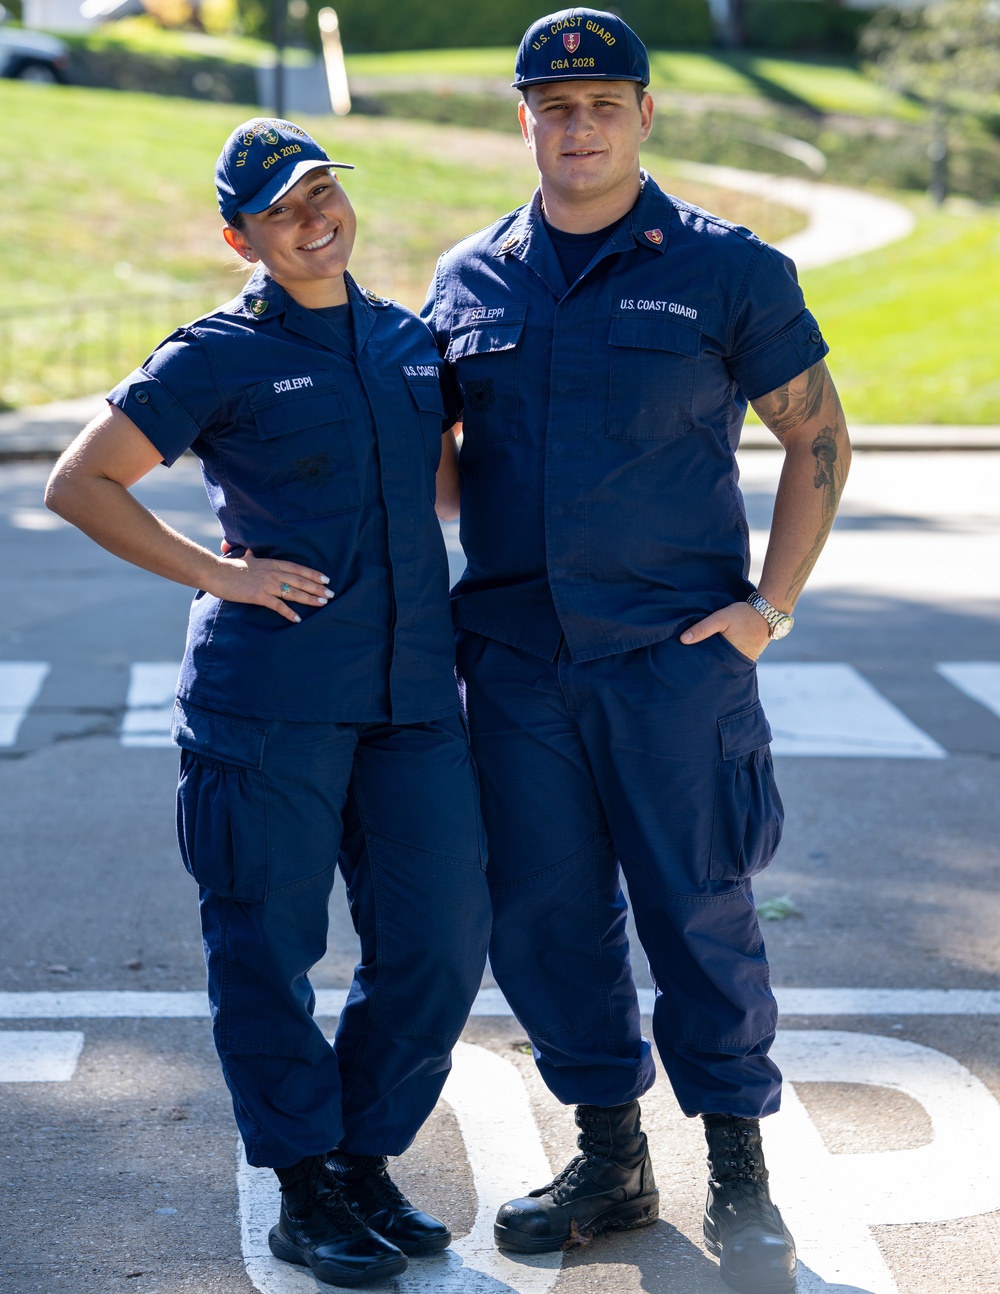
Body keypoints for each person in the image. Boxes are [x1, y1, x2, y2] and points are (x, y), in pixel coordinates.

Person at [423, 9, 851, 1293]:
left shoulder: (728, 270)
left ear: (646, 116)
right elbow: (442, 462)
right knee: (546, 921)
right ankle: (610, 1158)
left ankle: (739, 1168)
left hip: (674, 665)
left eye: (604, 104)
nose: (579, 126)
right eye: (554, 109)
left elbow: (818, 440)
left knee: (700, 910)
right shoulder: (469, 277)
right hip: (516, 666)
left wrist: (767, 608)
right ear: (524, 124)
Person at [46, 117, 492, 1289]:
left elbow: (448, 478)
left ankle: (361, 1154)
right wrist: (220, 571)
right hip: (272, 701)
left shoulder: (409, 341)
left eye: (324, 194)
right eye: (284, 207)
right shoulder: (216, 353)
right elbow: (78, 481)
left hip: (412, 699)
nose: (314, 218)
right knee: (268, 949)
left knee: (441, 940)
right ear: (238, 233)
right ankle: (303, 1186)